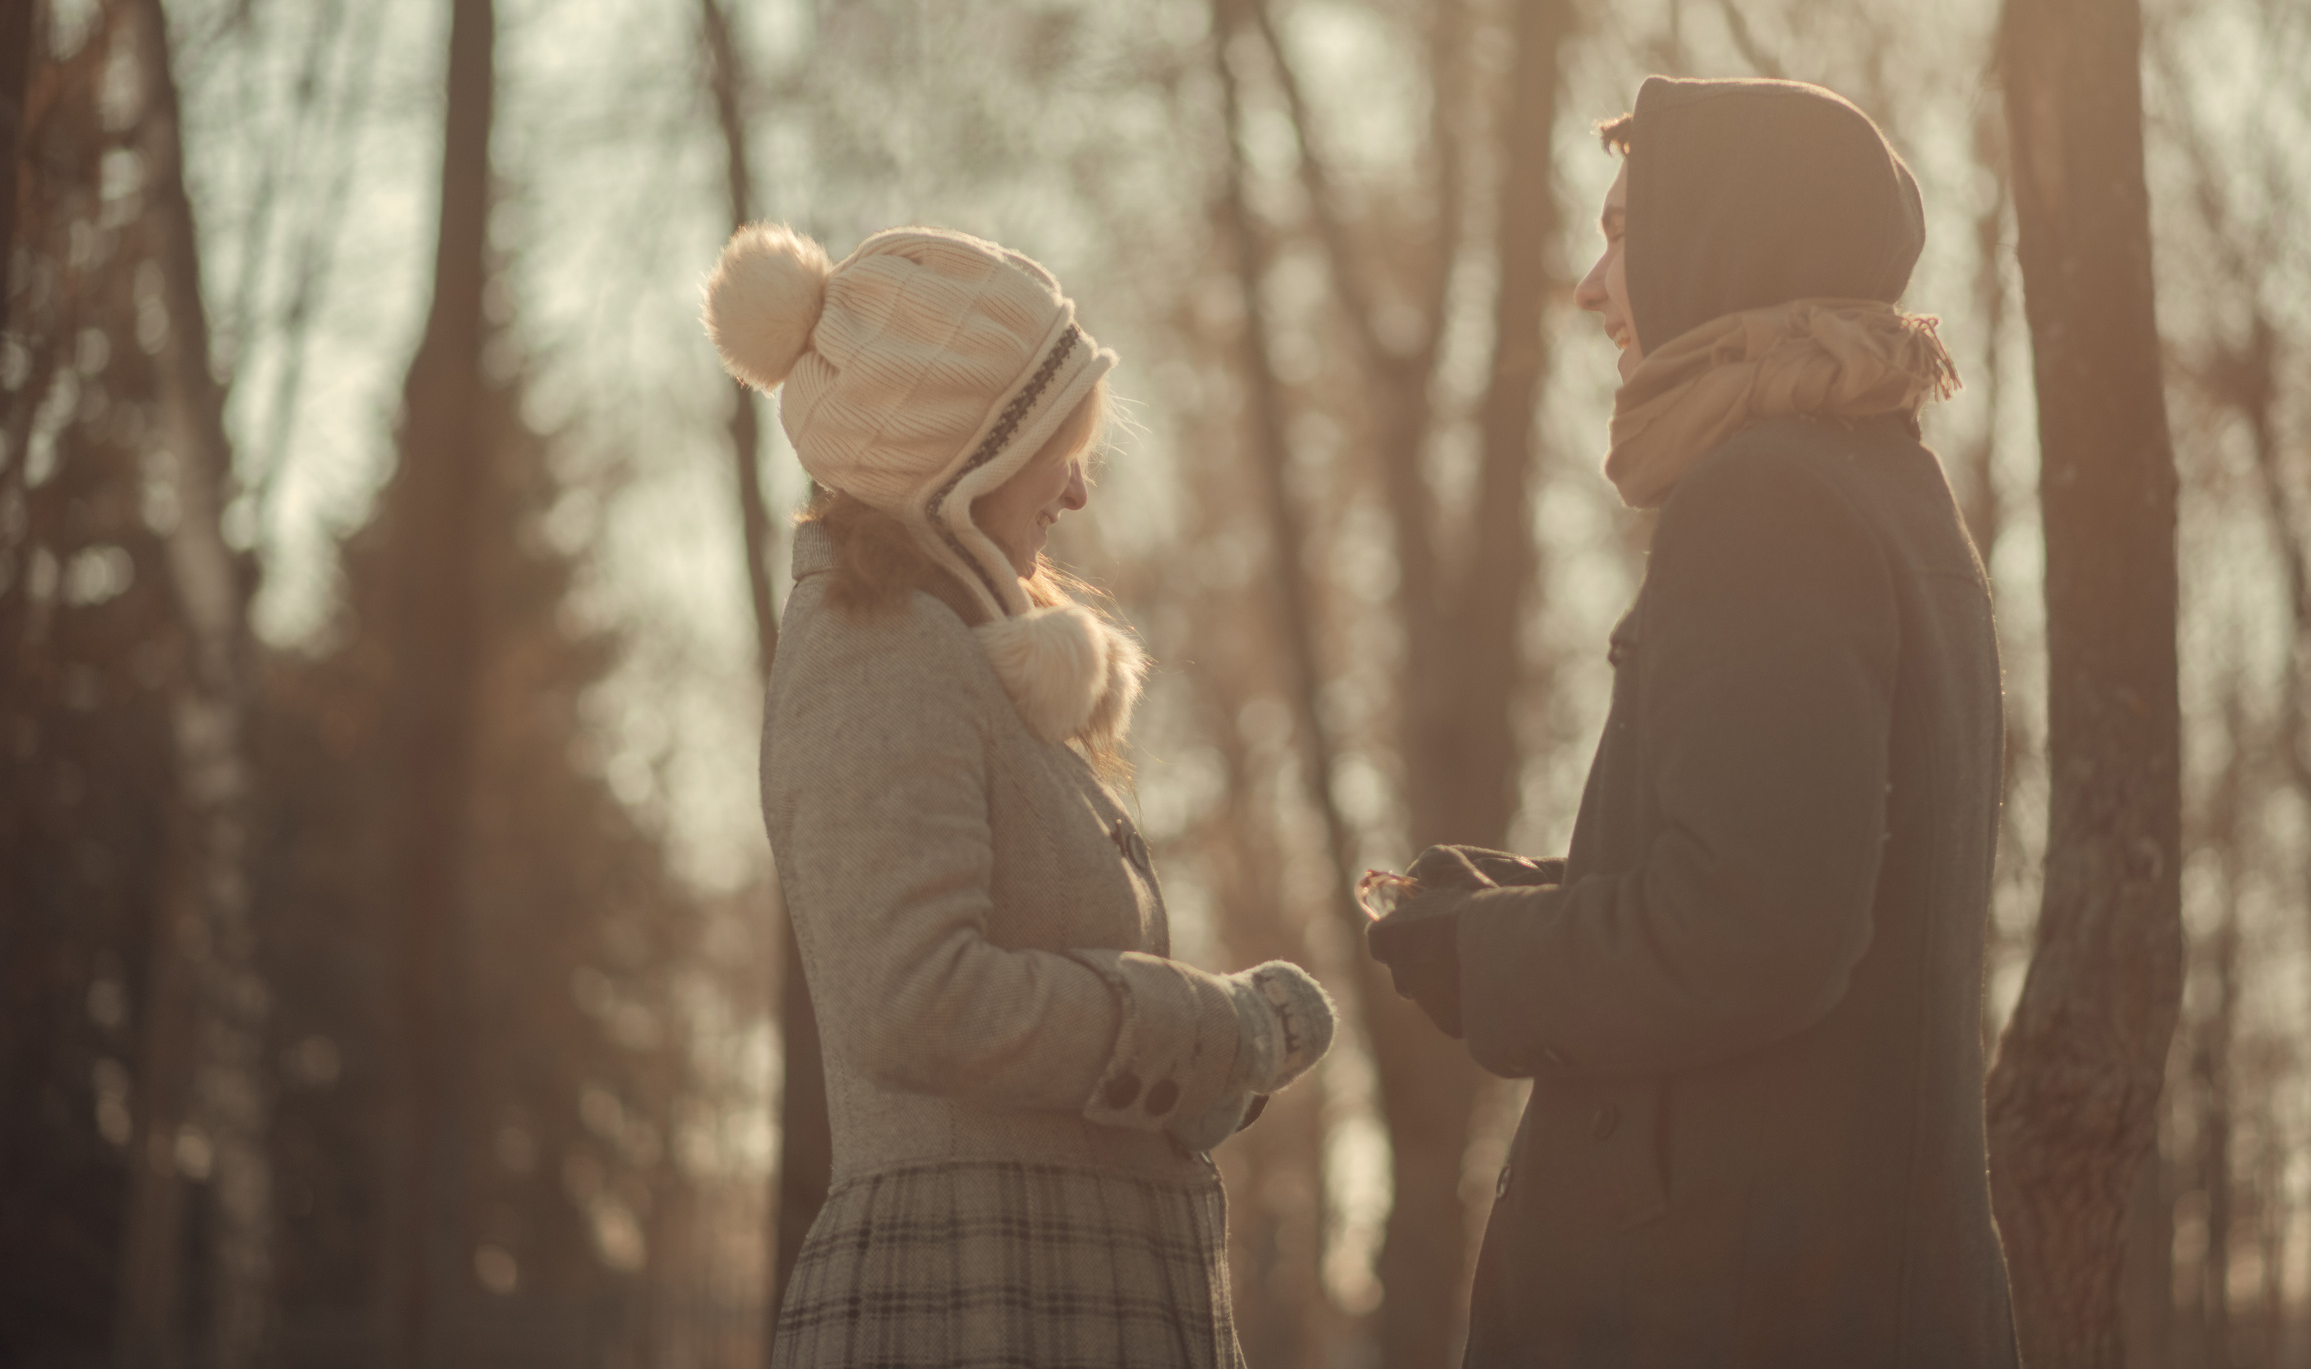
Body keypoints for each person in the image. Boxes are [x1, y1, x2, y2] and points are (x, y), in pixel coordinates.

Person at [1367, 77, 2020, 1366]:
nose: (1591, 284)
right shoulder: (1888, 487)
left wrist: (1486, 959)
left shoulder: (1765, 500)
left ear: (1725, 241)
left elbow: (1754, 931)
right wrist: (1522, 897)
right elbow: (1801, 870)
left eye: (1620, 232)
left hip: (1732, 1303)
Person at [704, 223, 1334, 1369]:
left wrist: (1219, 1077)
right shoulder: (873, 651)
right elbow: (915, 997)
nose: (1080, 490)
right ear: (963, 450)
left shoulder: (951, 650)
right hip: (974, 1294)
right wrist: (1211, 1026)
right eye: (1059, 444)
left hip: (1054, 1275)